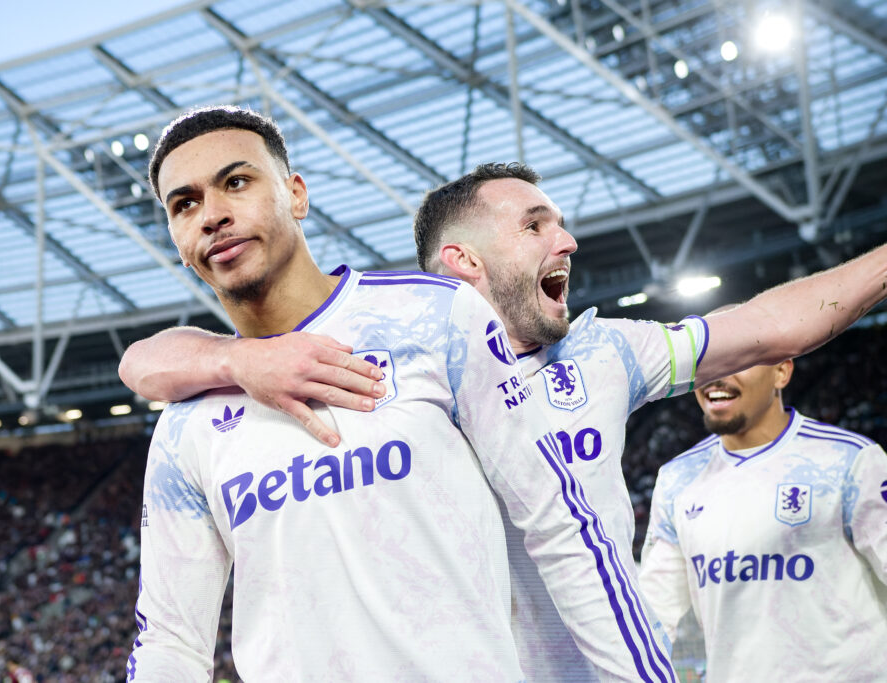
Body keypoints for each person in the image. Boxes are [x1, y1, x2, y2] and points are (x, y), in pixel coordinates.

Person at [120, 159, 887, 680]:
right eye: (534, 226)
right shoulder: (382, 370)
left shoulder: (605, 354)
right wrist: (238, 361)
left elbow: (771, 323)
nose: (567, 241)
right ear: (463, 262)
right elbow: (148, 361)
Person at [126, 106, 674, 681]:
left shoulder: (435, 319)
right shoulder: (185, 426)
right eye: (184, 204)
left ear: (296, 195)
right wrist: (234, 360)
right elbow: (170, 641)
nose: (212, 215)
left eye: (236, 183)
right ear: (177, 239)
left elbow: (562, 528)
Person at [639, 343, 887, 681]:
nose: (715, 378)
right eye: (705, 364)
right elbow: (652, 617)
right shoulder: (677, 479)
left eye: (735, 359)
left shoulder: (849, 460)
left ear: (781, 372)